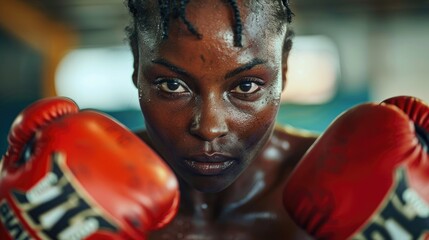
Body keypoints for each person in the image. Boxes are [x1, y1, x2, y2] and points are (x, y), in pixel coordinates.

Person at [125, 0, 318, 239]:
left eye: (246, 86)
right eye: (172, 85)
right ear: (136, 62)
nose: (209, 128)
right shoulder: (86, 181)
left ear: (284, 67)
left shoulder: (331, 175)